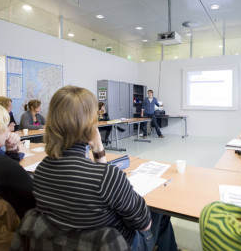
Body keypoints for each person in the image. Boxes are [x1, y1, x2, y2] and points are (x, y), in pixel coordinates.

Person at [32, 86, 177, 250]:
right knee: (159, 213)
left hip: (68, 243)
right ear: (90, 126)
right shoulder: (107, 177)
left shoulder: (41, 170)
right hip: (119, 245)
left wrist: (99, 154)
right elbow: (144, 224)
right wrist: (99, 149)